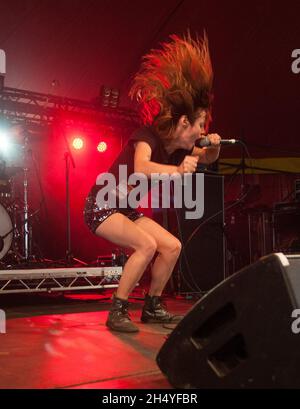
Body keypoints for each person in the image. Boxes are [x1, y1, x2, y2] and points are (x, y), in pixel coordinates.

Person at [84, 32, 221, 333]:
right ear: (184, 123)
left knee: (172, 246)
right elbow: (142, 167)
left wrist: (215, 144)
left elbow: (209, 158)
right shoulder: (148, 136)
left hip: (125, 210)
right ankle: (117, 310)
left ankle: (153, 306)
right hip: (102, 204)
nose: (202, 129)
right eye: (201, 124)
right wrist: (178, 171)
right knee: (145, 245)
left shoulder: (182, 147)